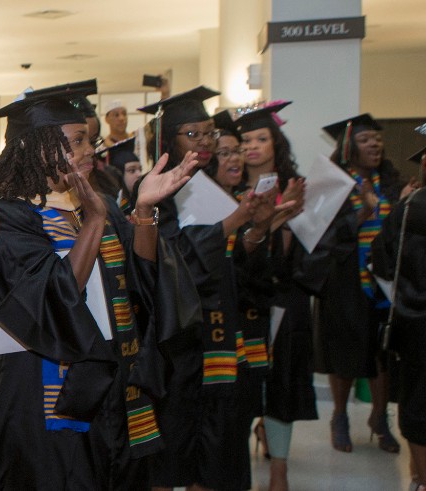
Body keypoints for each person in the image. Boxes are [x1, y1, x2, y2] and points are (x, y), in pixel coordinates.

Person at [0, 80, 199, 490]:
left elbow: (140, 281)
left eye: (89, 140)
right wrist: (93, 223)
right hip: (47, 393)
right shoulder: (8, 218)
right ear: (37, 148)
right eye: (76, 141)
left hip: (115, 379)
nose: (89, 150)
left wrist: (144, 211)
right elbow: (50, 301)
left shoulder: (101, 203)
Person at [136, 86, 279, 491]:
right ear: (170, 140)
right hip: (175, 340)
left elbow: (235, 265)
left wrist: (258, 228)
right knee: (171, 441)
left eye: (208, 133)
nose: (204, 142)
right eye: (192, 134)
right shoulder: (154, 189)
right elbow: (169, 258)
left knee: (216, 445)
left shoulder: (217, 186)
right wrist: (234, 222)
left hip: (219, 334)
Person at [316, 114, 410, 455]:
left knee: (383, 352)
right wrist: (363, 212)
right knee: (346, 350)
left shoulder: (391, 182)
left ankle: (379, 417)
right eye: (365, 139)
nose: (374, 144)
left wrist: (404, 205)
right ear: (348, 146)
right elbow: (324, 235)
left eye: (377, 139)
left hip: (384, 282)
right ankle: (339, 416)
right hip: (345, 281)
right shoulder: (335, 184)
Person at [232, 103, 309, 491]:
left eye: (261, 138)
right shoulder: (229, 190)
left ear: (276, 143)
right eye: (245, 140)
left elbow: (297, 255)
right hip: (242, 297)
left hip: (282, 296)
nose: (251, 146)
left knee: (282, 383)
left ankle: (280, 467)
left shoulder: (295, 188)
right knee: (243, 385)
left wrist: (287, 217)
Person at [373, 146, 426, 491]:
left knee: (417, 406)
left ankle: (420, 477)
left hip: (415, 321)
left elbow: (381, 260)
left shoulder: (409, 207)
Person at [100, 137, 141, 208]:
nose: (139, 174)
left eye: (140, 169)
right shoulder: (109, 207)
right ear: (118, 173)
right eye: (132, 170)